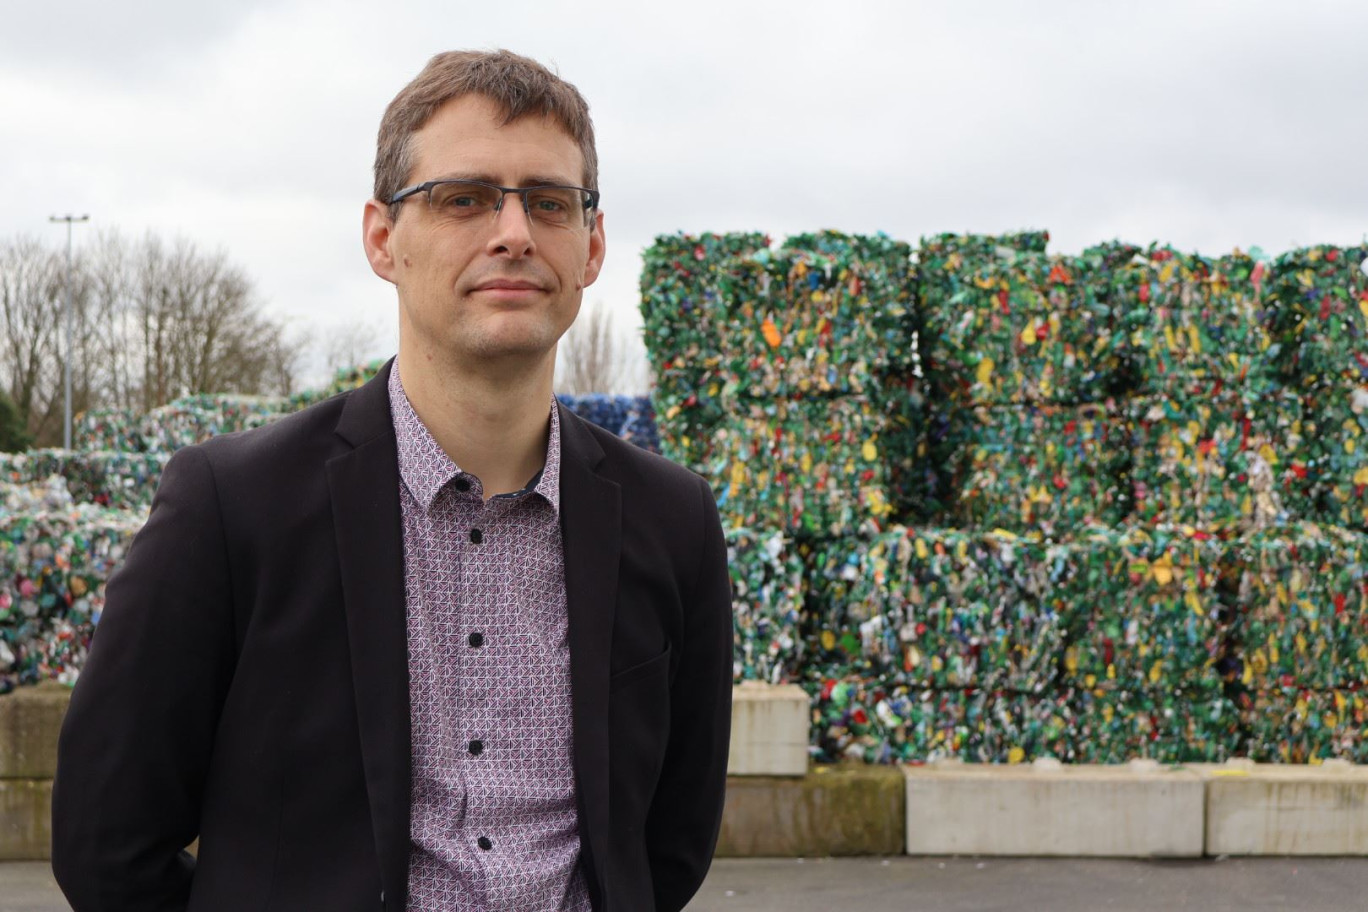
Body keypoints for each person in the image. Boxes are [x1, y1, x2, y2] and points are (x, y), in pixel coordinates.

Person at [51, 49, 733, 912]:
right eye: (464, 198)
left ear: (591, 245)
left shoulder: (672, 519)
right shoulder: (230, 509)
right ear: (382, 239)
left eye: (550, 202)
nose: (515, 232)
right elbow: (105, 844)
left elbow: (670, 845)